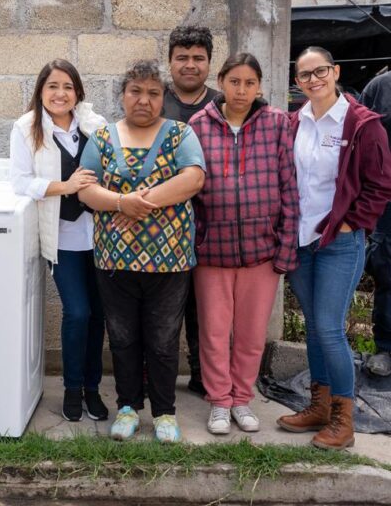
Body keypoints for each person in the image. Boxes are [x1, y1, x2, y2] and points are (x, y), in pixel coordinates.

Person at [78, 60, 206, 443]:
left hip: (170, 262)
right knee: (122, 337)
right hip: (114, 260)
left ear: (163, 98)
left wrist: (138, 203)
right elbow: (85, 189)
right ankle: (128, 408)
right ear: (123, 95)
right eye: (136, 91)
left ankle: (164, 413)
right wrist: (121, 203)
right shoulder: (102, 138)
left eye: (153, 93)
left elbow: (193, 178)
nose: (144, 100)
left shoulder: (180, 134)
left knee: (164, 339)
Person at [277, 47, 391, 450]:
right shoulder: (295, 122)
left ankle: (344, 419)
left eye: (320, 71)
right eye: (304, 75)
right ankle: (320, 406)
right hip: (301, 242)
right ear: (297, 82)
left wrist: (348, 223)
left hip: (339, 243)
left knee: (328, 327)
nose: (313, 80)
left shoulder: (361, 124)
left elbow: (380, 185)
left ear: (336, 72)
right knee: (314, 326)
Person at [188, 53, 299, 435]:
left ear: (259, 86)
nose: (241, 90)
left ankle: (241, 399)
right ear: (221, 81)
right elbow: (189, 191)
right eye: (234, 81)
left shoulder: (277, 123)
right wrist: (195, 241)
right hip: (212, 252)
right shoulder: (198, 125)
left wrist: (285, 247)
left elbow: (289, 187)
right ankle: (219, 401)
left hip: (261, 252)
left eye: (250, 83)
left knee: (251, 334)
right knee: (214, 333)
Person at [9, 59, 109, 423]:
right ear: (41, 91)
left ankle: (92, 389)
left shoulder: (94, 125)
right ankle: (71, 388)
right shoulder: (26, 128)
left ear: (78, 92)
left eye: (68, 87)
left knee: (98, 315)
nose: (60, 94)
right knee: (77, 312)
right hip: (61, 237)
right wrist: (65, 187)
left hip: (99, 236)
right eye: (53, 86)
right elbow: (20, 182)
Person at [163, 25, 220, 396]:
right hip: (160, 224)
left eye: (198, 58)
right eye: (182, 57)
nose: (190, 64)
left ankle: (203, 376)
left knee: (205, 310)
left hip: (211, 224)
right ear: (170, 61)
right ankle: (155, 377)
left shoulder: (222, 103)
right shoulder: (155, 100)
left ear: (209, 63)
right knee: (161, 310)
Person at [359, 72, 391, 377]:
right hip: (387, 200)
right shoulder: (381, 87)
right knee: (387, 270)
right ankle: (386, 348)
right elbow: (357, 139)